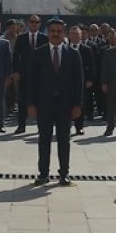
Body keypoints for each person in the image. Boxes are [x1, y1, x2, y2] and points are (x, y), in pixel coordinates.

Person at [26, 18, 83, 186]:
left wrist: (78, 105)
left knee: (64, 139)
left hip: (65, 105)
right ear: (48, 32)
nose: (56, 34)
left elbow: (79, 82)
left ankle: (64, 174)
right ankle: (43, 173)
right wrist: (30, 104)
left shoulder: (73, 54)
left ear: (64, 33)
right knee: (44, 139)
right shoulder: (38, 53)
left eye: (59, 31)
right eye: (53, 31)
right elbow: (30, 81)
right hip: (43, 105)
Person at [13, 14, 46, 135]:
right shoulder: (21, 38)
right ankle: (21, 125)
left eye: (36, 22)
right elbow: (16, 56)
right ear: (28, 23)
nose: (34, 24)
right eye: (32, 22)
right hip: (25, 74)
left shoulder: (44, 38)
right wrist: (16, 71)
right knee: (23, 101)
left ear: (39, 24)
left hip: (40, 75)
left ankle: (41, 126)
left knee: (41, 102)